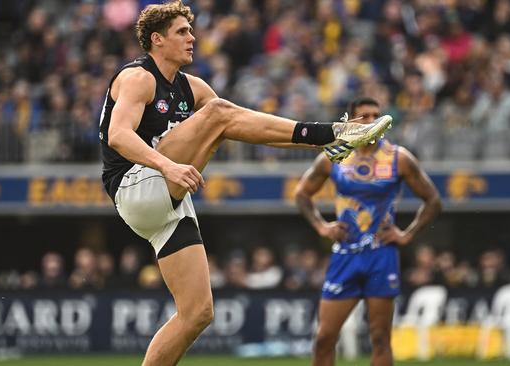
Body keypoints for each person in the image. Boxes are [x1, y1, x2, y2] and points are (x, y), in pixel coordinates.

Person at [98, 2, 393, 365]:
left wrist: (314, 142)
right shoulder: (137, 77)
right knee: (220, 112)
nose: (192, 37)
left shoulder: (192, 87)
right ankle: (333, 132)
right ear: (156, 40)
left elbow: (251, 128)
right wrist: (168, 167)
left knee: (198, 313)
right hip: (136, 185)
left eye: (191, 30)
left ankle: (330, 136)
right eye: (182, 32)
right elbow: (118, 136)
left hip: (167, 203)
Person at [294, 97, 441, 366]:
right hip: (345, 255)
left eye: (376, 115)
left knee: (380, 336)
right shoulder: (335, 155)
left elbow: (433, 200)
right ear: (351, 121)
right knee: (324, 336)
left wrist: (406, 234)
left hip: (381, 254)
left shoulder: (399, 158)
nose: (372, 121)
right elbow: (302, 193)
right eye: (365, 116)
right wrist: (321, 226)